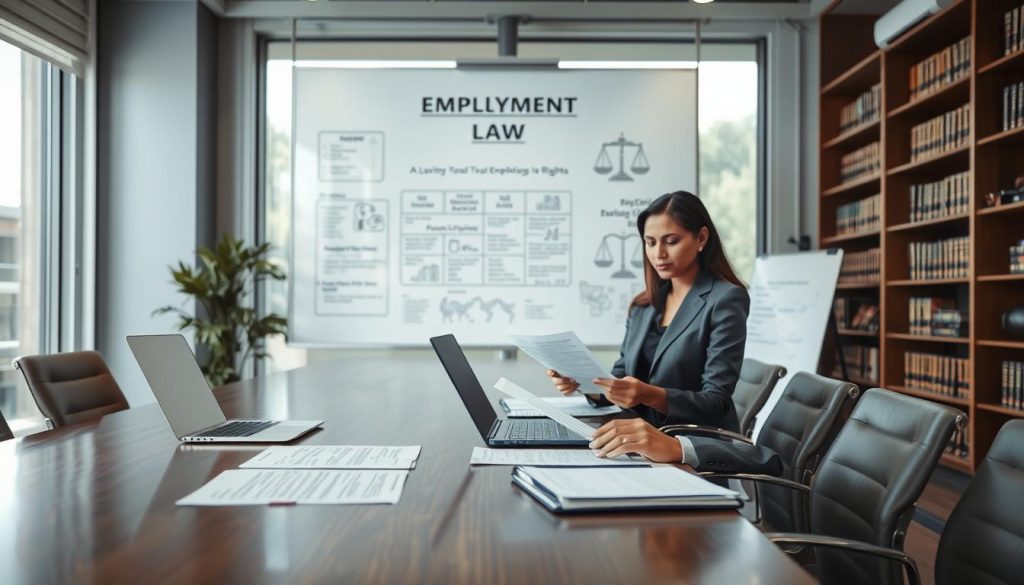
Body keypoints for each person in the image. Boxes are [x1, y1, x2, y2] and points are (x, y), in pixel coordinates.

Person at [546, 190, 772, 471]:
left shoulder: (725, 299)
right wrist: (586, 385)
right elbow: (620, 376)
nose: (658, 254)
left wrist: (645, 394)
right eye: (650, 243)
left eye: (671, 241)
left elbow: (716, 402)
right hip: (634, 443)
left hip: (689, 453)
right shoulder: (643, 306)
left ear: (701, 238)